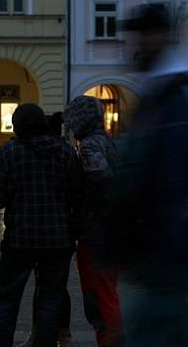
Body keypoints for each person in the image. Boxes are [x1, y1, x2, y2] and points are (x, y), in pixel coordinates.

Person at [109, 4, 188, 347]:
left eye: (138, 38)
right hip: (157, 260)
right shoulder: (157, 95)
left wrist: (176, 249)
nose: (131, 48)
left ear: (161, 37)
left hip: (169, 259)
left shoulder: (185, 96)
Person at [0, 104, 83, 347]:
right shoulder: (65, 152)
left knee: (6, 301)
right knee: (50, 301)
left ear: (18, 126)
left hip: (19, 239)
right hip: (59, 239)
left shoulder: (9, 153)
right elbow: (78, 196)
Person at [63, 96, 122, 347]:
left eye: (71, 120)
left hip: (95, 233)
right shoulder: (106, 141)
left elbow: (101, 180)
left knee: (100, 298)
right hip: (109, 231)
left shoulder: (89, 145)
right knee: (107, 294)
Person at [18, 111, 73, 347]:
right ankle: (62, 334)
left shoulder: (22, 151)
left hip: (29, 234)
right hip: (61, 233)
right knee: (55, 287)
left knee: (46, 289)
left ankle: (42, 335)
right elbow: (75, 192)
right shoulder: (67, 153)